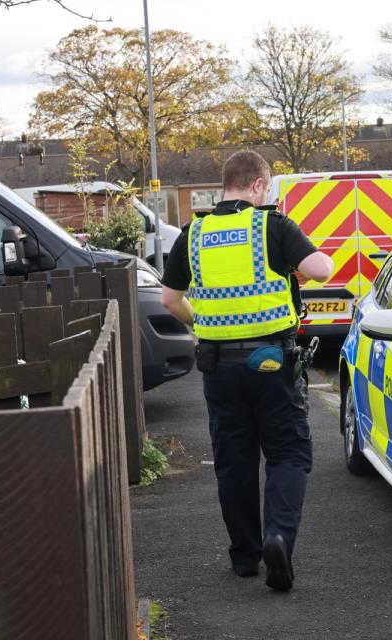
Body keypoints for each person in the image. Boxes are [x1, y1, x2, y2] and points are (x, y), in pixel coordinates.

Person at [160, 150, 334, 591]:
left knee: (234, 462)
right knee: (288, 454)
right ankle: (278, 536)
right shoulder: (272, 225)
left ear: (226, 184)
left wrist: (203, 321)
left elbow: (169, 300)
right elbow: (321, 268)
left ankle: (244, 556)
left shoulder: (193, 233)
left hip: (220, 365)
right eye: (268, 187)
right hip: (272, 361)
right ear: (257, 185)